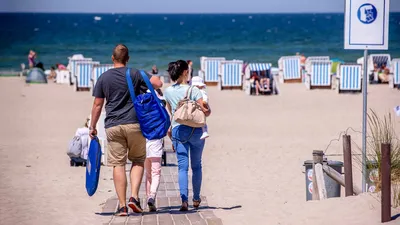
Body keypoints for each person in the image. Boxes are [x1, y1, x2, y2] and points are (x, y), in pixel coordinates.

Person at [89, 44, 163, 216]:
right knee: (137, 160)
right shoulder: (135, 73)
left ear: (112, 58)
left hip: (113, 126)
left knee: (118, 164)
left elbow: (98, 104)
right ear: (128, 59)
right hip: (135, 124)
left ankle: (122, 206)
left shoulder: (104, 77)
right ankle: (134, 197)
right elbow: (158, 82)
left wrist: (92, 126)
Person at [164, 60, 211, 211]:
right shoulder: (194, 90)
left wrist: (169, 131)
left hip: (178, 130)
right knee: (196, 166)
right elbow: (206, 111)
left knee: (182, 167)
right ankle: (196, 198)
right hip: (195, 130)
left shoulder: (168, 91)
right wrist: (208, 108)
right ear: (185, 72)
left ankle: (184, 201)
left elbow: (169, 113)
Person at [144, 89, 166, 212]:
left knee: (148, 174)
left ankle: (148, 198)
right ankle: (152, 196)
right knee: (156, 172)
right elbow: (167, 123)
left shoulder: (141, 108)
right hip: (156, 141)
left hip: (143, 141)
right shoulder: (160, 108)